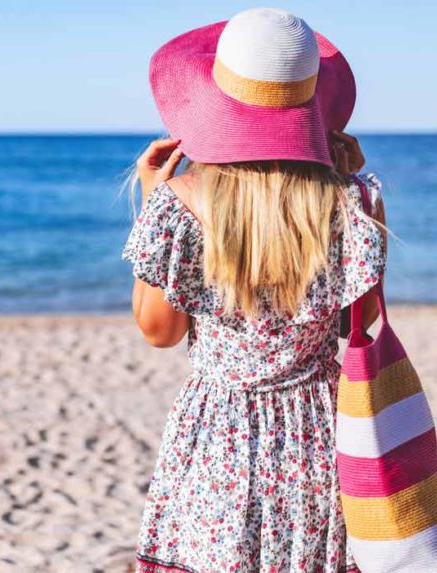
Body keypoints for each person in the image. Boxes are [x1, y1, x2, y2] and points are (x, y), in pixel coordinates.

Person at [123, 8, 386, 572]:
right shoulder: (358, 205)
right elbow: (353, 323)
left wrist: (152, 206)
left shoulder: (180, 204)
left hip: (220, 431)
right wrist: (348, 181)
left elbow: (158, 331)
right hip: (320, 431)